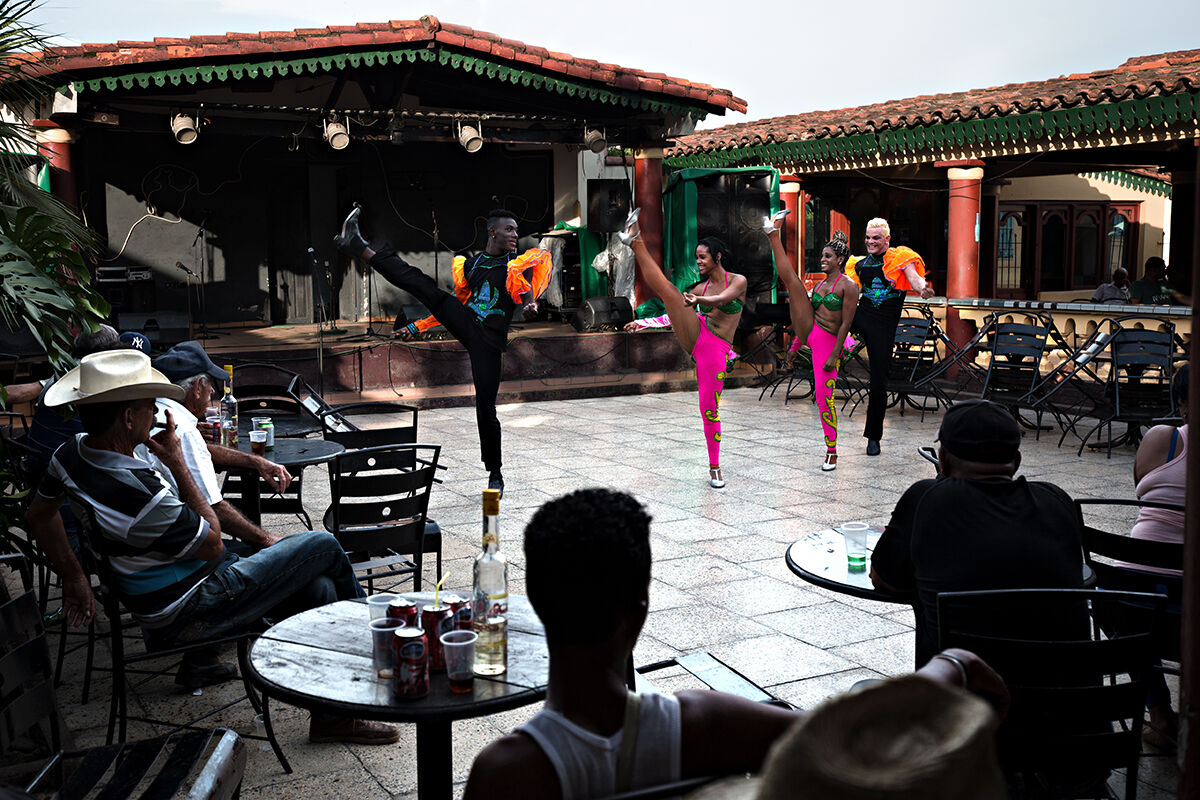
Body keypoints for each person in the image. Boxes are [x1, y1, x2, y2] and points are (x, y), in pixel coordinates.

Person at [463, 488, 1010, 800]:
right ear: (639, 613)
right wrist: (950, 667)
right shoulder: (704, 724)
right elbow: (849, 744)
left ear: (533, 600)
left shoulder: (506, 773)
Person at [24, 349, 398, 744]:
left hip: (156, 590)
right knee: (322, 545)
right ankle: (381, 658)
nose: (157, 413)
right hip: (188, 605)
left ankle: (332, 717)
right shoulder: (145, 495)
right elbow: (214, 543)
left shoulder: (72, 454)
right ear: (128, 418)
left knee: (318, 588)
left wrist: (74, 576)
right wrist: (177, 462)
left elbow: (38, 515)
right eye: (150, 407)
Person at [334, 206, 550, 497]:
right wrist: (415, 327)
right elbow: (453, 306)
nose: (515, 234)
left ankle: (494, 471)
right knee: (425, 287)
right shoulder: (472, 266)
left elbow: (525, 295)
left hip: (488, 341)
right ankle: (360, 248)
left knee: (486, 408)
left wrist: (530, 305)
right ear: (492, 232)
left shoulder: (517, 264)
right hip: (468, 322)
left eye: (515, 229)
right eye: (509, 229)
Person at [870, 399, 1084, 667]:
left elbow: (883, 579)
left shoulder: (927, 497)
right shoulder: (1057, 501)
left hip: (964, 701)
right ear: (1016, 461)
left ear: (943, 461)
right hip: (1068, 701)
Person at [620, 210, 745, 489]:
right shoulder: (700, 286)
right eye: (697, 257)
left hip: (716, 348)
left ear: (718, 257)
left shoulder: (738, 281)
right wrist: (644, 323)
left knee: (708, 409)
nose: (698, 261)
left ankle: (715, 467)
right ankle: (635, 241)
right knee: (669, 291)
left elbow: (723, 299)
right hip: (697, 334)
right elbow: (676, 313)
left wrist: (699, 299)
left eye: (703, 257)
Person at [150, 341, 292, 554]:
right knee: (322, 547)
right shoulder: (184, 430)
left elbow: (200, 451)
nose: (213, 393)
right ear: (198, 387)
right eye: (210, 385)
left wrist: (255, 460)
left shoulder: (156, 415)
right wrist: (268, 540)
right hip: (189, 551)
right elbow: (215, 508)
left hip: (166, 541)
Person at [765, 214, 859, 471]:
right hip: (812, 334)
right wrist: (794, 349)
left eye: (828, 256)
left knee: (823, 398)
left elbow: (845, 324)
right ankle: (773, 234)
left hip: (829, 343)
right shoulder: (820, 285)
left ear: (840, 260)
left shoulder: (848, 287)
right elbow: (809, 321)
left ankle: (832, 451)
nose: (823, 260)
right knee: (794, 283)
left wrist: (835, 355)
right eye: (822, 256)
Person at [1126, 363, 1187, 747]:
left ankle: (1160, 715)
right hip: (1185, 614)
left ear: (1181, 405)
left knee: (1129, 605)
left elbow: (1142, 494)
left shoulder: (1161, 439)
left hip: (1129, 607)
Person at [844, 219, 934, 456]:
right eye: (867, 237)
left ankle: (874, 438)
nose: (870, 242)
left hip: (882, 327)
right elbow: (846, 292)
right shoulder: (859, 264)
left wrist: (922, 287)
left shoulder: (899, 258)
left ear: (887, 240)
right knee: (827, 316)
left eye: (875, 238)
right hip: (861, 316)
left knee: (878, 382)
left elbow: (914, 279)